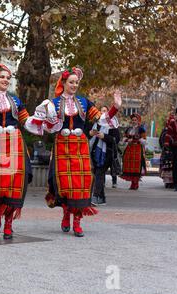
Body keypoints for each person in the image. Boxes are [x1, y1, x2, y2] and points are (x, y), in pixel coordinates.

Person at [33, 67, 121, 237]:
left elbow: (101, 119)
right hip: (62, 146)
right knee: (65, 184)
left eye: (76, 82)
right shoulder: (53, 103)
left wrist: (115, 107)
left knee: (80, 184)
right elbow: (48, 127)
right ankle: (66, 213)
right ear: (64, 83)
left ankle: (77, 221)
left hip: (80, 146)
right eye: (71, 82)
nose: (74, 85)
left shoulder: (84, 102)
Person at [0, 64, 43, 239]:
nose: (5, 80)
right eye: (2, 77)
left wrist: (40, 116)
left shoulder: (15, 101)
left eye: (8, 78)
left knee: (12, 183)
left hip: (14, 144)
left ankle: (8, 224)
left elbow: (26, 121)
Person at [89, 106, 120, 205]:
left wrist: (104, 137)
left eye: (106, 111)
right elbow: (90, 136)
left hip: (107, 154)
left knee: (99, 173)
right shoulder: (97, 124)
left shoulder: (113, 124)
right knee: (98, 174)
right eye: (102, 111)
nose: (104, 113)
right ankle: (102, 198)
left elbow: (116, 140)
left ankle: (95, 196)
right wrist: (91, 133)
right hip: (95, 153)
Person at [120, 113, 146, 190]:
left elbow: (144, 140)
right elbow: (124, 138)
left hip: (137, 148)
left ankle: (135, 183)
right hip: (130, 148)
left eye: (135, 120)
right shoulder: (128, 129)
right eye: (133, 120)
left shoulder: (141, 129)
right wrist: (128, 140)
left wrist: (135, 140)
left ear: (138, 121)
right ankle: (132, 183)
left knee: (137, 165)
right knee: (129, 164)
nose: (134, 121)